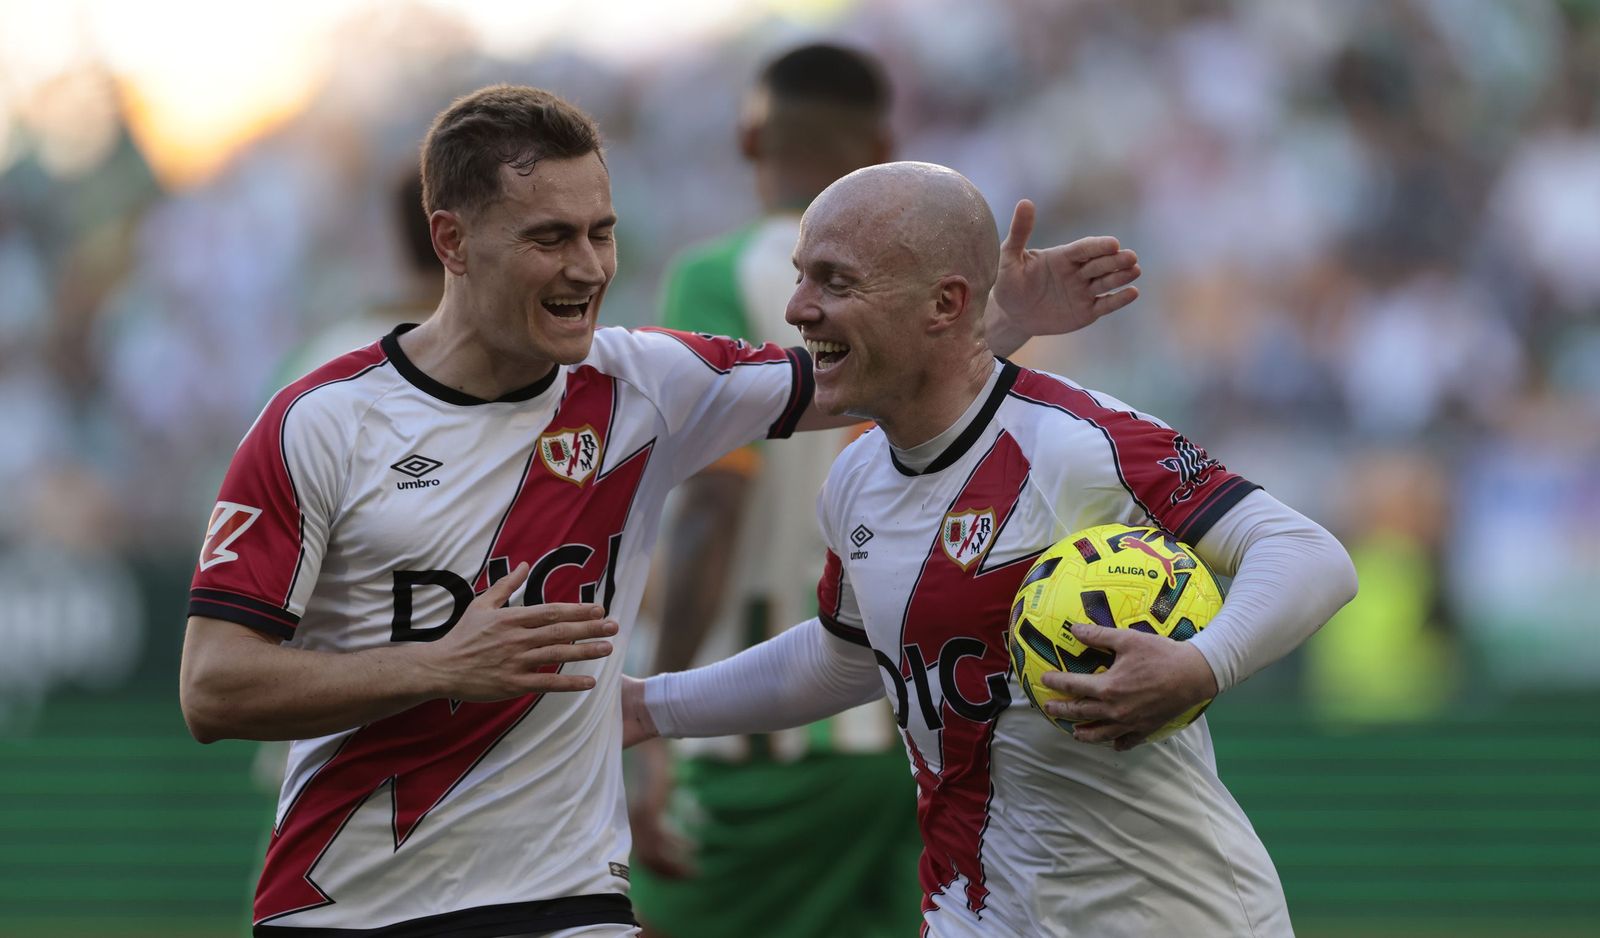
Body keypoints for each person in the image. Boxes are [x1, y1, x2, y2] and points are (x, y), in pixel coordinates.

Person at [177, 86, 1140, 938]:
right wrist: (444, 664)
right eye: (550, 238)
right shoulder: (318, 422)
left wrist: (989, 321)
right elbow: (214, 690)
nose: (589, 267)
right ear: (452, 242)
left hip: (565, 895)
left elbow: (867, 382)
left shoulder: (646, 384)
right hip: (350, 902)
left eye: (602, 231)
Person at [624, 162, 1359, 937]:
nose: (799, 308)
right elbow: (850, 656)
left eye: (834, 283)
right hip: (971, 915)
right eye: (803, 276)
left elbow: (1307, 554)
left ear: (944, 304)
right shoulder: (856, 479)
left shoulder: (1077, 443)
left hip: (1169, 915)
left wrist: (1200, 665)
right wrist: (650, 706)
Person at [628, 44, 923, 938]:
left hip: (763, 735)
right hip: (914, 732)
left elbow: (716, 502)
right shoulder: (929, 285)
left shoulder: (723, 275)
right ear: (881, 143)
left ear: (750, 137)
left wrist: (663, 714)